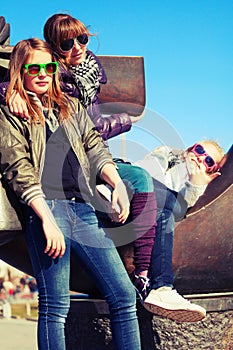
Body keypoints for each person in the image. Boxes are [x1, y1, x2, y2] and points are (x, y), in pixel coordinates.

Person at [0, 13, 157, 296]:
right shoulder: (50, 75)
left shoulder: (91, 74)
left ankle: (148, 276)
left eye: (82, 39)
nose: (77, 47)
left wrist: (115, 180)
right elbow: (85, 129)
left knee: (148, 186)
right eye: (67, 43)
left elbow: (90, 136)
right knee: (56, 304)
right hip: (62, 189)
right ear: (53, 48)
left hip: (93, 163)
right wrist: (9, 91)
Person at [136, 140, 224, 322]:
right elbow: (147, 179)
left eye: (208, 161)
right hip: (134, 193)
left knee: (166, 213)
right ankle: (162, 288)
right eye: (200, 150)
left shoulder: (194, 182)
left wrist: (195, 185)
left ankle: (162, 288)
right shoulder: (167, 154)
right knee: (165, 202)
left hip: (152, 215)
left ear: (209, 170)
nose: (200, 158)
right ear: (192, 147)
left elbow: (177, 212)